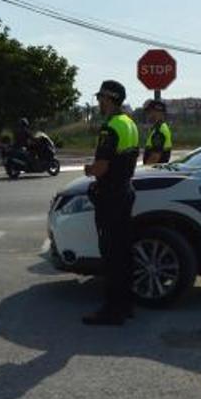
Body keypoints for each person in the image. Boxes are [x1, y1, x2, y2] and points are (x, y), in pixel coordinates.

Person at [82, 80, 139, 326]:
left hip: (111, 196)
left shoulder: (111, 127)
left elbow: (102, 167)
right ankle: (126, 305)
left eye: (100, 98)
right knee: (123, 251)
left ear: (109, 99)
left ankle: (112, 310)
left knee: (111, 253)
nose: (98, 103)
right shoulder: (130, 123)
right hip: (125, 191)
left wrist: (88, 170)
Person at [142, 99, 172, 165]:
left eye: (150, 112)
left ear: (158, 112)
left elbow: (155, 156)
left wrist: (145, 171)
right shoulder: (160, 127)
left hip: (153, 171)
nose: (148, 115)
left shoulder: (159, 130)